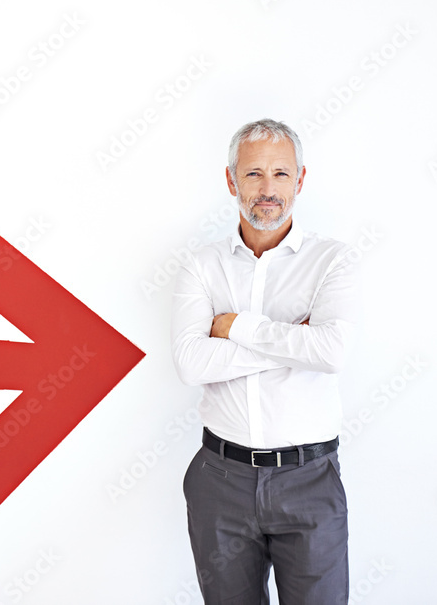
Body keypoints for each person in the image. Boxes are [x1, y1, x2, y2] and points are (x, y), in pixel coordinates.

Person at [170, 118, 357, 604]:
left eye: (280, 173)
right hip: (220, 480)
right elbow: (191, 364)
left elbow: (331, 352)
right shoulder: (201, 265)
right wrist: (293, 342)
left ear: (300, 180)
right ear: (231, 181)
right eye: (253, 174)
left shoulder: (332, 261)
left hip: (309, 480)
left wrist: (237, 327)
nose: (267, 188)